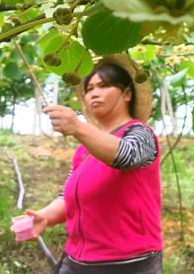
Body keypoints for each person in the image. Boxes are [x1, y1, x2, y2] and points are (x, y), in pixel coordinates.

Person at [21, 54, 162, 274]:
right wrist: (46, 216)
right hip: (77, 260)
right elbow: (70, 194)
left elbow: (127, 155)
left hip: (128, 262)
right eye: (89, 89)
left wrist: (77, 126)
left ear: (126, 94)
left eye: (104, 86)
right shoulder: (85, 148)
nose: (94, 93)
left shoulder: (141, 133)